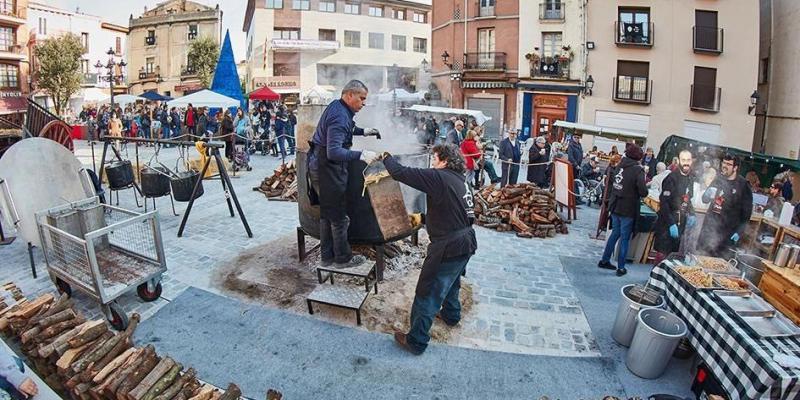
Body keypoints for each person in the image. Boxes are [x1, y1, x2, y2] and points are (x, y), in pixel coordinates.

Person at [382, 144, 477, 355]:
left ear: (443, 161)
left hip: (449, 246)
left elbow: (400, 173)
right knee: (451, 281)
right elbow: (456, 213)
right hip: (466, 241)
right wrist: (424, 219)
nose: (432, 163)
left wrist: (385, 156)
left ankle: (416, 340)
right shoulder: (461, 180)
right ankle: (451, 316)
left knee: (428, 291)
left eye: (434, 159)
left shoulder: (439, 177)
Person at [307, 80, 381, 269]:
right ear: (349, 95)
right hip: (327, 168)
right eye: (361, 98)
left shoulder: (337, 106)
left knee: (327, 214)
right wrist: (362, 155)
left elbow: (346, 128)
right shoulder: (340, 116)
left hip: (320, 164)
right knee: (339, 217)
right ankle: (342, 259)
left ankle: (327, 257)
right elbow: (334, 152)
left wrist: (363, 131)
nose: (364, 103)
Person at [598, 144, 647, 276]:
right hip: (628, 207)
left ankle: (605, 260)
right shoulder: (638, 170)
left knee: (615, 234)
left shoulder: (620, 165)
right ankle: (621, 267)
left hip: (615, 205)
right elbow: (643, 192)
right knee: (625, 238)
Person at [697, 154, 753, 257]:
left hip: (726, 236)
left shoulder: (743, 185)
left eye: (728, 164)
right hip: (708, 231)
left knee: (718, 265)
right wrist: (707, 194)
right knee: (700, 261)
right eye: (724, 162)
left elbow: (746, 215)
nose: (724, 166)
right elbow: (704, 200)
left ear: (735, 168)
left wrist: (739, 232)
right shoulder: (718, 180)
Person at [652, 150, 696, 264]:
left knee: (672, 255)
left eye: (689, 160)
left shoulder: (690, 178)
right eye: (684, 160)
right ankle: (654, 278)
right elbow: (664, 202)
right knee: (662, 253)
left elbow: (687, 199)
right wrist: (671, 224)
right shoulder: (671, 178)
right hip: (667, 222)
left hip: (680, 221)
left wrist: (692, 214)